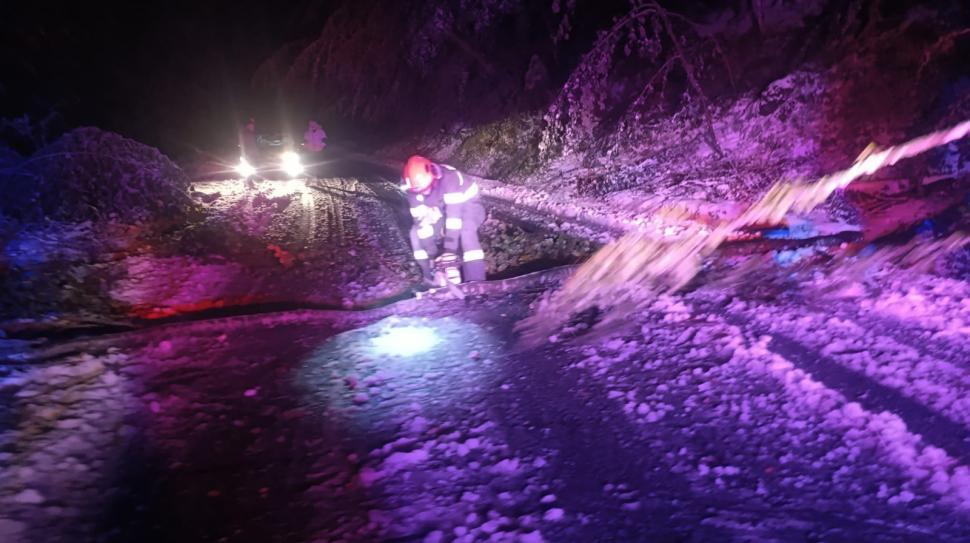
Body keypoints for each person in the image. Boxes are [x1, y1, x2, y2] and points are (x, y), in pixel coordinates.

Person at [402, 155, 486, 284]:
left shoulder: (449, 178)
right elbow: (421, 224)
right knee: (414, 234)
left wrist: (450, 252)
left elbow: (454, 218)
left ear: (433, 176)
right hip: (442, 208)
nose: (425, 193)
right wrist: (434, 258)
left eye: (427, 188)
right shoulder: (412, 189)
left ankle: (476, 281)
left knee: (466, 231)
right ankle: (429, 279)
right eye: (421, 191)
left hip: (470, 205)